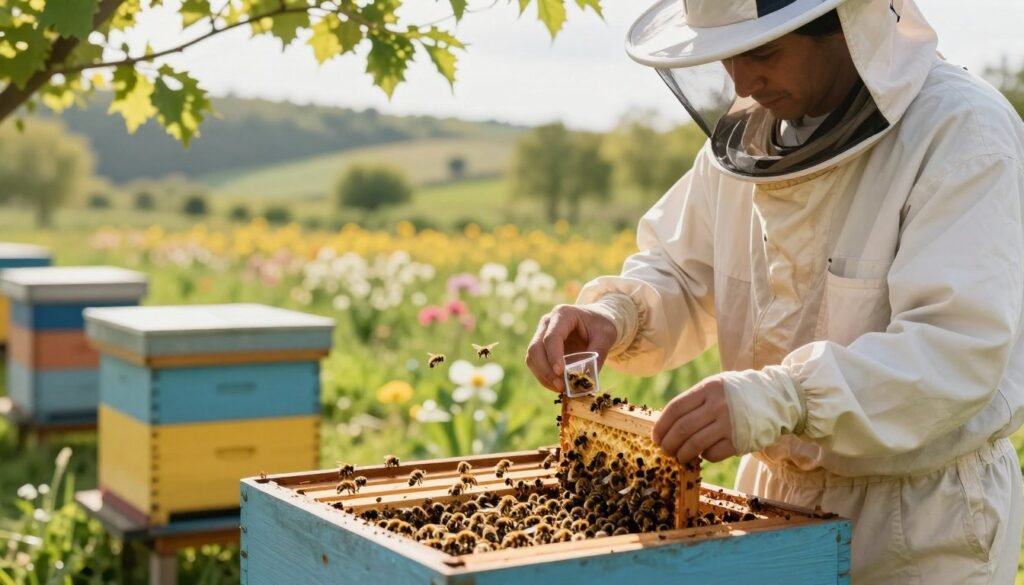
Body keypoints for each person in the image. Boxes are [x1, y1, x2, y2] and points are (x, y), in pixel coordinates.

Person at [525, 0, 1024, 582]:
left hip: (916, 520)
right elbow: (682, 271)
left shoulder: (960, 131)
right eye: (728, 55)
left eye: (763, 52)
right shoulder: (751, 135)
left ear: (846, 28)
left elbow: (954, 350)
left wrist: (781, 398)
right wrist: (615, 314)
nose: (742, 79)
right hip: (770, 499)